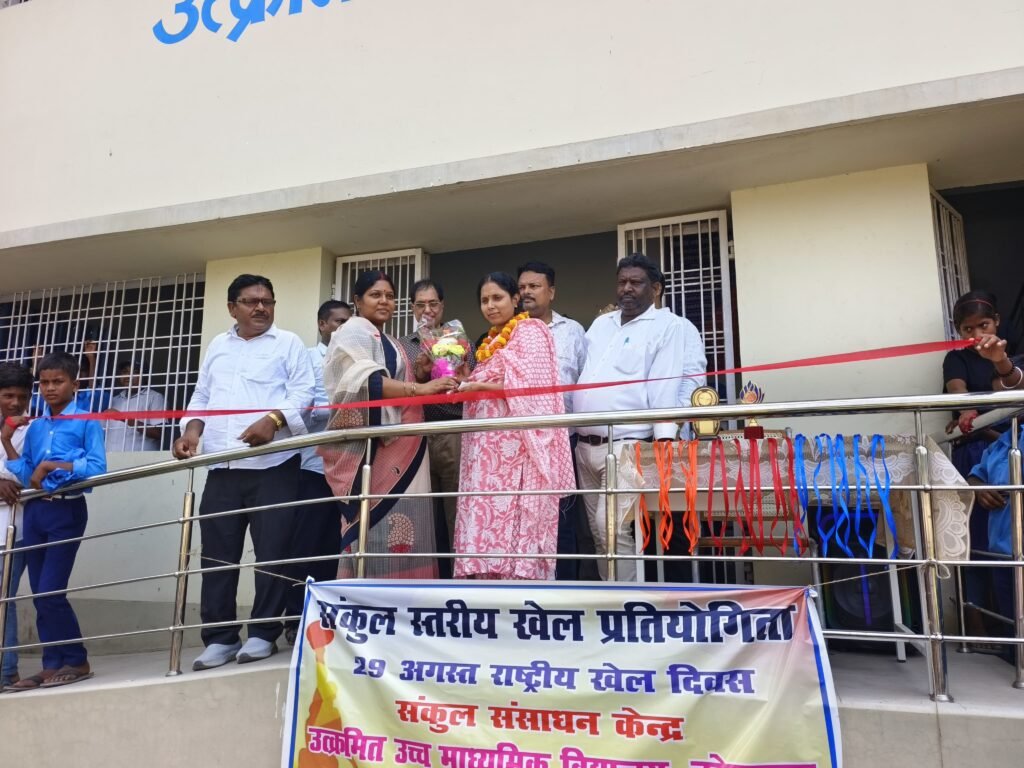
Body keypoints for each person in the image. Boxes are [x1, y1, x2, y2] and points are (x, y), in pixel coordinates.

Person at [174, 274, 314, 671]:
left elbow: (304, 393)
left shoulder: (288, 343)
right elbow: (202, 395)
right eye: (251, 301)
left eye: (267, 301)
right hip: (221, 467)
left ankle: (263, 634)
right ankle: (219, 638)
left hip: (273, 466)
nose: (261, 308)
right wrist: (191, 431)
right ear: (232, 307)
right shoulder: (218, 346)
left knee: (273, 553)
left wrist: (273, 420)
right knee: (217, 557)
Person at [320, 270, 455, 579]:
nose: (384, 301)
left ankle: (407, 595)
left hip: (407, 447)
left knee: (408, 523)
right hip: (377, 450)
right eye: (375, 295)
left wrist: (421, 373)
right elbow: (367, 382)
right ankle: (372, 594)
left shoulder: (388, 340)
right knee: (375, 522)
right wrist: (420, 388)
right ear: (357, 301)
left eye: (390, 296)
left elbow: (399, 386)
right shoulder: (354, 331)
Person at [573, 254, 700, 582]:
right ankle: (612, 599)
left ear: (655, 289)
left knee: (613, 529)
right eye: (622, 282)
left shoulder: (667, 326)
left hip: (625, 445)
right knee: (599, 536)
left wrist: (665, 440)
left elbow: (664, 384)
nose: (626, 289)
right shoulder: (602, 324)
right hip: (584, 446)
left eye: (636, 282)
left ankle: (628, 603)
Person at [454, 272, 575, 580]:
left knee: (513, 526)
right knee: (486, 522)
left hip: (518, 451)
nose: (490, 306)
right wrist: (468, 379)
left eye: (498, 298)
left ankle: (517, 584)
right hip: (487, 457)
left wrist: (480, 387)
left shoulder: (531, 330)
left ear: (515, 299)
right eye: (484, 300)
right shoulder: (491, 341)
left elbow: (531, 389)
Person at [2, 352, 106, 691]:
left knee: (50, 591)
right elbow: (26, 473)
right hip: (35, 512)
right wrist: (6, 441)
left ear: (75, 384)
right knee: (39, 594)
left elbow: (97, 468)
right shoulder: (36, 426)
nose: (49, 388)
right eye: (44, 382)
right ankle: (52, 664)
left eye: (57, 381)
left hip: (66, 511)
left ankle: (77, 660)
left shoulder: (86, 420)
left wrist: (53, 467)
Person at [942, 290, 1009, 642]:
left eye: (983, 325)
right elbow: (961, 398)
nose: (977, 334)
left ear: (996, 321)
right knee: (975, 541)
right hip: (976, 454)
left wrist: (994, 430)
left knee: (1009, 540)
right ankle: (978, 629)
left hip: (1011, 450)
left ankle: (1010, 625)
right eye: (968, 329)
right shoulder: (957, 359)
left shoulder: (1011, 359)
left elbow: (1012, 387)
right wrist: (969, 413)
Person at [517, 261, 589, 580]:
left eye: (534, 286)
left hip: (564, 440)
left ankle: (566, 588)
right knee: (526, 519)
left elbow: (588, 380)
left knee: (563, 518)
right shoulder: (510, 331)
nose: (527, 292)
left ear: (552, 292)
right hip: (522, 444)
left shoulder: (573, 332)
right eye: (522, 287)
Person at [284, 299, 351, 644]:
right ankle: (295, 619)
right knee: (306, 545)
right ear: (322, 324)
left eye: (348, 323)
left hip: (350, 468)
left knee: (337, 545)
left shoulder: (356, 359)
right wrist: (344, 409)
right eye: (338, 322)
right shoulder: (308, 359)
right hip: (314, 466)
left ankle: (328, 619)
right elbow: (306, 409)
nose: (343, 329)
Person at [398, 279, 472, 579]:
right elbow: (398, 390)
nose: (427, 310)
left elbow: (472, 384)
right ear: (411, 308)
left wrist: (461, 377)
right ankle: (423, 581)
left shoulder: (459, 339)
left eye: (433, 304)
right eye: (420, 305)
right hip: (415, 437)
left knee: (457, 513)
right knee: (420, 515)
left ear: (442, 306)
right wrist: (420, 374)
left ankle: (459, 580)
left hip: (454, 432)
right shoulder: (403, 345)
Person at [0, 363, 33, 688]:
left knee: (3, 597)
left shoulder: (33, 428)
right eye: (8, 395)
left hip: (16, 528)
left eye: (21, 397)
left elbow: (25, 475)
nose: (15, 403)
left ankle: (7, 671)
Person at [103, 359, 166, 452]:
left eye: (135, 372)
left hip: (140, 458)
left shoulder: (155, 397)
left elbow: (158, 433)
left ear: (145, 377)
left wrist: (123, 417)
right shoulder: (113, 400)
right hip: (110, 457)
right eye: (125, 372)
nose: (129, 376)